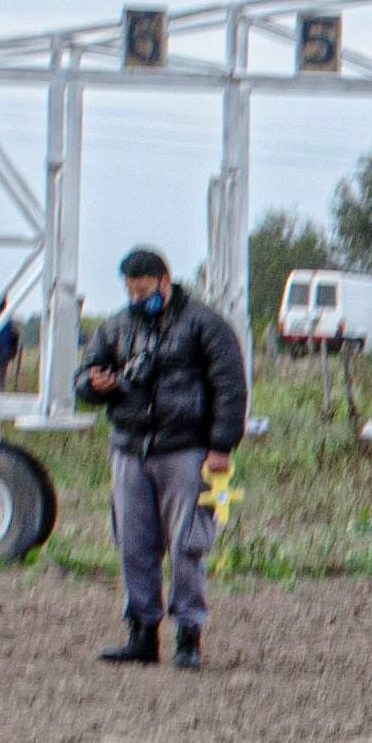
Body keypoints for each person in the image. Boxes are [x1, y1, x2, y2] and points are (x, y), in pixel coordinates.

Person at [76, 247, 246, 671]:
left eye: (144, 289)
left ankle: (189, 634)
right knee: (134, 543)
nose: (136, 298)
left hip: (185, 450)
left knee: (188, 544)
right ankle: (141, 632)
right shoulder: (115, 326)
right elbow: (83, 378)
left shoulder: (206, 326)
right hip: (130, 449)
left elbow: (230, 386)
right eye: (130, 291)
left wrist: (222, 445)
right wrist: (95, 384)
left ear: (164, 283)